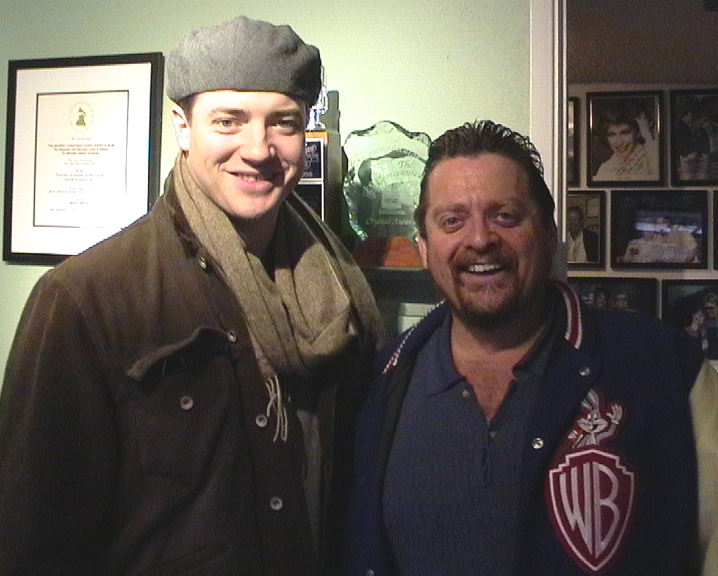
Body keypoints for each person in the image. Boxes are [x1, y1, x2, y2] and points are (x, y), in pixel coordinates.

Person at [0, 16, 383, 576]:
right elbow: (33, 540)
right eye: (228, 121)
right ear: (183, 127)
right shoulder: (84, 299)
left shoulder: (337, 286)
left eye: (283, 123)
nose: (259, 149)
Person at [341, 120, 717, 575]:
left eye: (505, 216)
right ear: (424, 247)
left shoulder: (664, 369)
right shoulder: (380, 384)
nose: (480, 239)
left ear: (549, 233)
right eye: (452, 220)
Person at [593, 105, 659, 181]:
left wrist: (648, 137)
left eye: (625, 133)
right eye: (612, 134)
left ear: (638, 132)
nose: (619, 142)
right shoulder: (605, 169)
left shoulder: (652, 157)